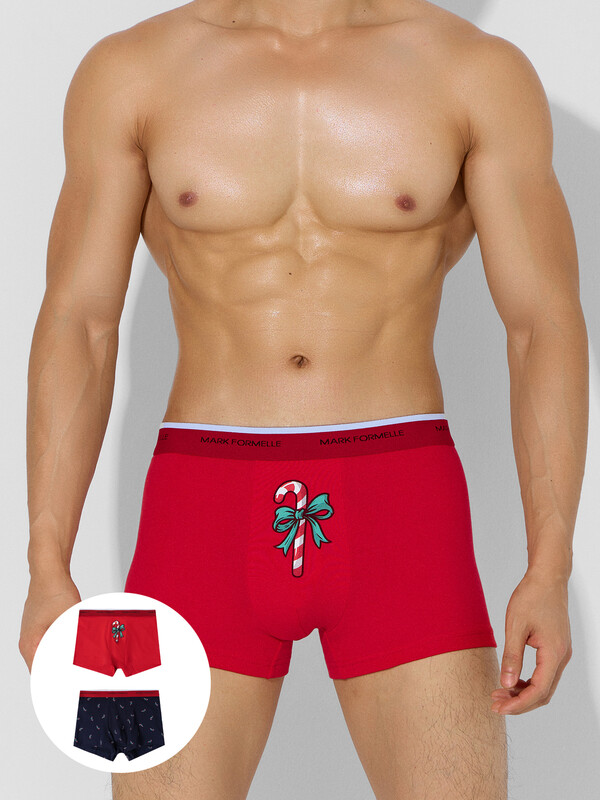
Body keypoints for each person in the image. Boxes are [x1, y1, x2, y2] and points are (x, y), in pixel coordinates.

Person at [19, 1, 588, 798]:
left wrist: (550, 565)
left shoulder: (475, 73)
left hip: (402, 505)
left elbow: (542, 326)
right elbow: (79, 322)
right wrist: (47, 562)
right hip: (199, 511)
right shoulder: (132, 72)